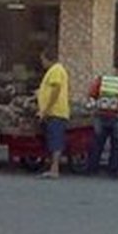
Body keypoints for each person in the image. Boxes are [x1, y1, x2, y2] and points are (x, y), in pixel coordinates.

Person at [87, 56, 118, 177]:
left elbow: (92, 93)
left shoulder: (103, 79)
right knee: (116, 145)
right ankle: (113, 170)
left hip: (100, 114)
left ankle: (92, 168)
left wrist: (93, 107)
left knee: (97, 143)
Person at [36, 46, 70, 179]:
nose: (42, 63)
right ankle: (52, 168)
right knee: (52, 140)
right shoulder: (55, 70)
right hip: (53, 111)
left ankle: (54, 170)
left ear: (47, 59)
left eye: (42, 60)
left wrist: (46, 109)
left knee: (55, 141)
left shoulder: (56, 70)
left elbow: (56, 89)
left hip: (55, 111)